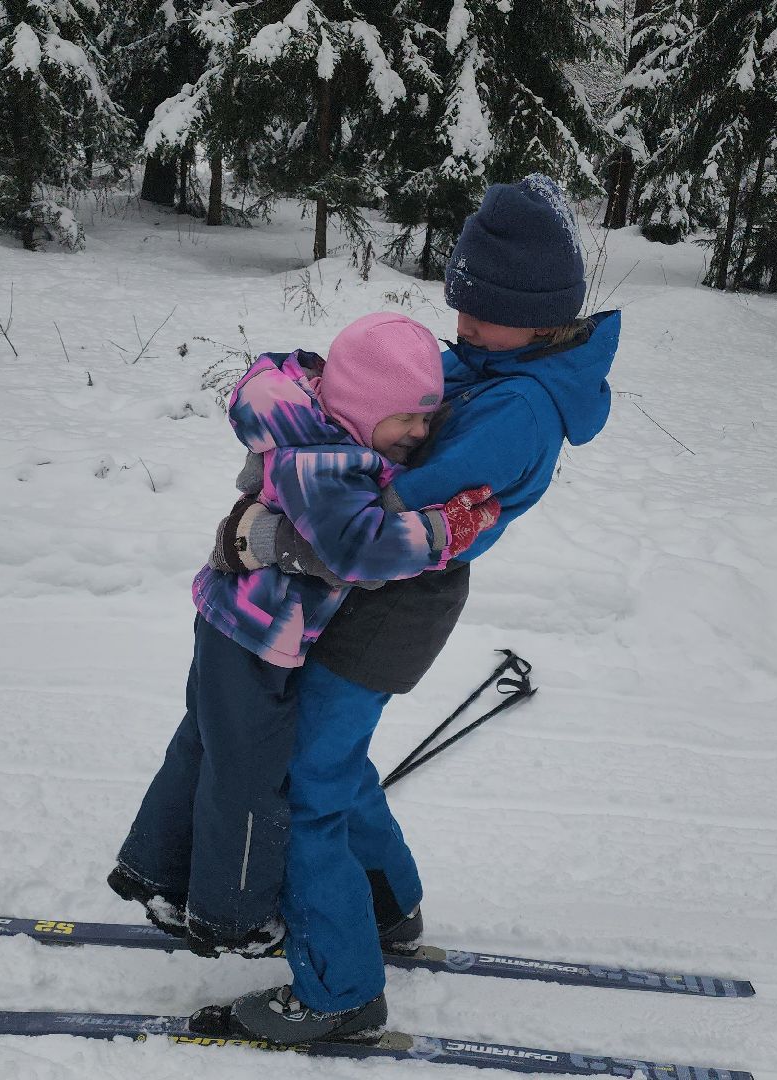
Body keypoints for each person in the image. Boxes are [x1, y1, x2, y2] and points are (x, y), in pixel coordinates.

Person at [202, 174, 621, 1045]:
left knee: (307, 780)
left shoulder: (519, 408)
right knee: (336, 760)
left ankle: (340, 990)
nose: (459, 332)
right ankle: (386, 907)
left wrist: (275, 512)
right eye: (458, 312)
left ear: (540, 317)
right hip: (380, 592)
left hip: (395, 597)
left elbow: (379, 517)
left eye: (478, 317)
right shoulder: (498, 362)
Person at [108, 312, 503, 961]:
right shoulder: (322, 463)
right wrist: (442, 532)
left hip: (239, 627)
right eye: (406, 417)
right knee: (250, 774)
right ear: (362, 404)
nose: (419, 433)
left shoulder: (320, 431)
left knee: (205, 747)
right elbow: (358, 549)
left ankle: (160, 874)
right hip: (252, 640)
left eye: (426, 418)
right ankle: (232, 916)